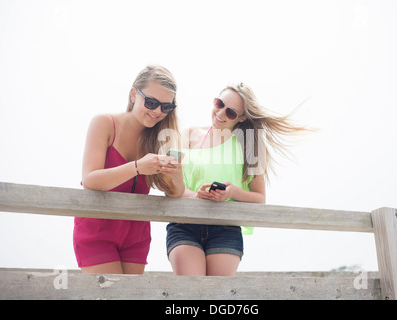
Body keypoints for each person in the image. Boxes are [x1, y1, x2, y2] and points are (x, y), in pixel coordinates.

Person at [166, 82, 307, 276]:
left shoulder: (249, 145)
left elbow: (259, 198)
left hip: (225, 229)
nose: (221, 113)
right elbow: (174, 187)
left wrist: (232, 192)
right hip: (184, 225)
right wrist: (196, 196)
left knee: (217, 296)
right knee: (192, 294)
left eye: (231, 112)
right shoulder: (189, 134)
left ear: (241, 118)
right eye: (219, 104)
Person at [73, 65, 184, 275]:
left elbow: (175, 192)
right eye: (151, 102)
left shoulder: (161, 137)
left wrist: (176, 173)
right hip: (97, 230)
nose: (157, 112)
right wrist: (137, 167)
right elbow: (90, 180)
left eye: (166, 107)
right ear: (134, 94)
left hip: (136, 234)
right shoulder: (104, 122)